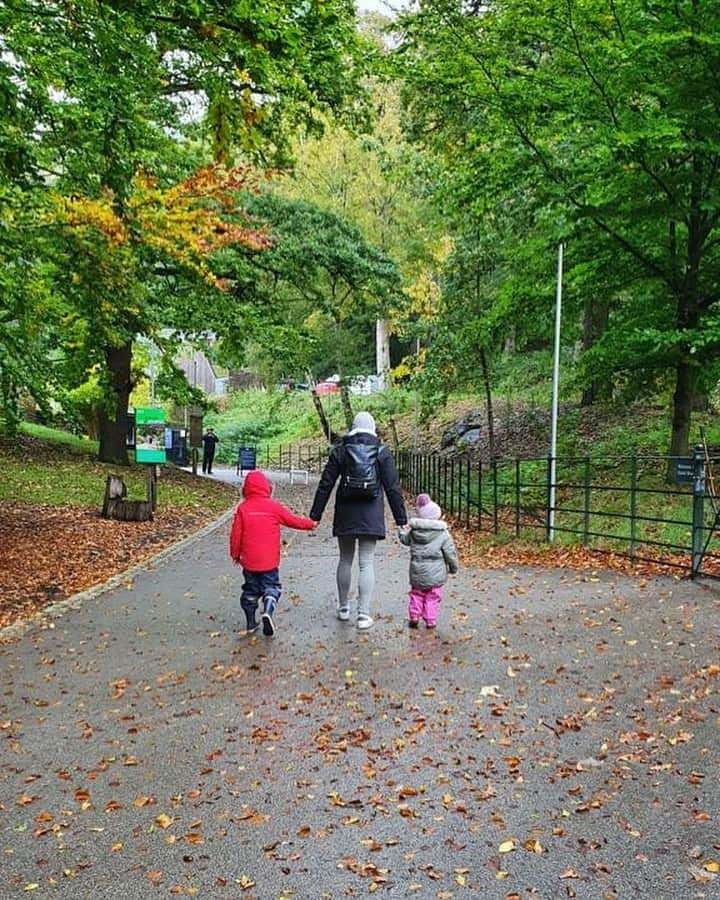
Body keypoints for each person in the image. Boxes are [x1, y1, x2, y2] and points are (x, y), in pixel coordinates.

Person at [309, 411, 407, 630]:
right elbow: (393, 488)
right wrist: (401, 520)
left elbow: (326, 483)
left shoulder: (341, 450)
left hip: (346, 512)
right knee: (366, 563)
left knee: (345, 560)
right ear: (372, 428)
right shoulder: (382, 452)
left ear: (353, 427)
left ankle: (343, 608)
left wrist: (315, 515)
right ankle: (363, 615)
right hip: (371, 513)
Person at [229, 469, 317, 636]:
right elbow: (293, 521)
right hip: (269, 561)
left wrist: (235, 554)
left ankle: (250, 622)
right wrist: (310, 524)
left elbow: (236, 534)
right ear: (267, 487)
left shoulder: (243, 508)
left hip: (249, 562)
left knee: (250, 590)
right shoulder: (273, 507)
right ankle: (268, 611)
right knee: (272, 587)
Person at [398, 492, 459, 629]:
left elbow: (405, 540)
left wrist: (401, 532)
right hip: (436, 573)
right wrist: (453, 567)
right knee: (433, 596)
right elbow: (450, 552)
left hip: (417, 571)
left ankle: (414, 616)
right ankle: (430, 619)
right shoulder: (443, 533)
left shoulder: (414, 532)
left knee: (416, 594)